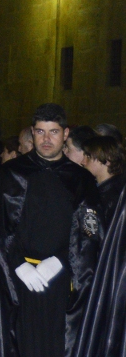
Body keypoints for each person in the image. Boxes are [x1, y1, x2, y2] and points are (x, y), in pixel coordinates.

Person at [0, 103, 99, 357]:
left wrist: (60, 261)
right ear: (32, 133)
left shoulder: (80, 179)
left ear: (65, 134)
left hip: (62, 281)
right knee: (21, 345)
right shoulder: (11, 172)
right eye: (40, 132)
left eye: (53, 132)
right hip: (18, 280)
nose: (46, 139)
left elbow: (89, 232)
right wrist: (19, 264)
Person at [71, 136, 126, 357]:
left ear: (106, 160)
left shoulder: (113, 196)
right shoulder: (100, 191)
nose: (83, 161)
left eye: (89, 157)